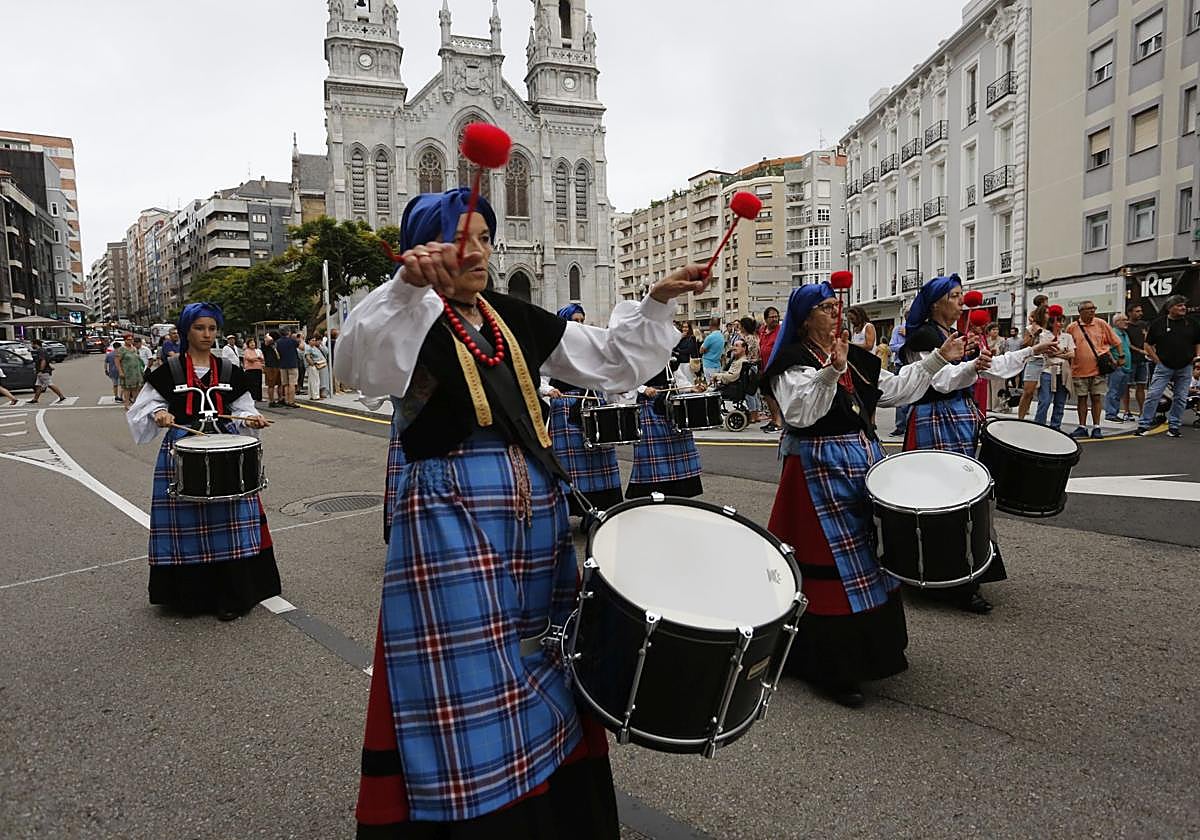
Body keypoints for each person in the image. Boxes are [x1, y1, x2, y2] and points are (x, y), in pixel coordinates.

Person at [333, 187, 705, 837]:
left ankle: (550, 812)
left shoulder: (513, 317)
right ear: (426, 248)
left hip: (533, 519)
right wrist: (401, 287)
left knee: (546, 663)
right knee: (471, 683)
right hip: (451, 522)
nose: (476, 250)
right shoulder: (410, 317)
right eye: (460, 238)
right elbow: (356, 366)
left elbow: (610, 361)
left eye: (483, 235)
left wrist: (657, 302)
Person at [763, 282, 966, 707]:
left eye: (837, 306)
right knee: (830, 563)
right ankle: (828, 668)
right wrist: (830, 372)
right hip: (817, 470)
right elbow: (801, 412)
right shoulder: (790, 361)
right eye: (825, 307)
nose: (836, 313)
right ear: (804, 318)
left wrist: (934, 361)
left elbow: (892, 390)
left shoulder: (852, 356)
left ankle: (873, 653)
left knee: (868, 555)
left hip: (860, 461)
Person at [901, 274, 1055, 614]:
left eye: (960, 296)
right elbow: (939, 381)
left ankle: (966, 572)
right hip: (935, 418)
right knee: (939, 497)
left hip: (961, 416)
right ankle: (941, 576)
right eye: (954, 296)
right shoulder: (923, 337)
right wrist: (972, 365)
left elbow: (989, 368)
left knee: (968, 496)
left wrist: (1031, 350)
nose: (960, 302)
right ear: (936, 303)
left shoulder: (956, 335)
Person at [125, 302, 277, 621]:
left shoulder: (229, 371)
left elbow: (242, 409)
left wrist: (251, 420)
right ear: (186, 331)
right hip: (182, 453)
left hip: (226, 453)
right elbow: (141, 410)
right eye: (199, 328)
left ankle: (232, 596)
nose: (207, 335)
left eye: (211, 329)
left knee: (231, 524)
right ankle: (190, 598)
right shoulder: (168, 371)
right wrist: (159, 414)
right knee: (187, 526)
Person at [543, 303, 624, 523]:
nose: (579, 325)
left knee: (600, 459)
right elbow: (536, 374)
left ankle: (597, 511)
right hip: (565, 406)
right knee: (571, 466)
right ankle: (575, 509)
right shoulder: (552, 346)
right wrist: (548, 389)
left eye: (581, 320)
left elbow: (605, 375)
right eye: (574, 321)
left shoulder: (593, 346)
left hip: (593, 402)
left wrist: (616, 389)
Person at [625, 360, 705, 499]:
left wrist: (691, 388)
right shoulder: (636, 355)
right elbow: (626, 379)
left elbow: (677, 380)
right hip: (649, 407)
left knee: (680, 449)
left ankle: (680, 491)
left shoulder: (668, 357)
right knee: (651, 456)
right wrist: (643, 389)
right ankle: (652, 492)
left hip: (671, 407)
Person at [1135, 295, 1200, 438]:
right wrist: (1157, 360)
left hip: (1185, 366)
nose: (1183, 308)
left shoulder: (1191, 323)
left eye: (1184, 305)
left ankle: (1174, 426)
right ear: (1170, 308)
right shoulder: (1158, 323)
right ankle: (1144, 425)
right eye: (1179, 305)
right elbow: (1147, 344)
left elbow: (1197, 341)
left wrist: (1197, 357)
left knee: (1181, 397)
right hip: (1164, 366)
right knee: (1153, 395)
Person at [1065, 300, 1120, 439]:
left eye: (1094, 308)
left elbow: (1116, 341)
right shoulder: (1072, 327)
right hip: (1078, 370)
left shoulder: (1101, 323)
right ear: (1080, 311)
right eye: (1089, 309)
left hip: (1098, 369)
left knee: (1096, 398)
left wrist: (1121, 356)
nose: (1092, 311)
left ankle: (1097, 427)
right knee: (1081, 399)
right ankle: (1082, 426)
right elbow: (1067, 346)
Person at [1034, 305, 1076, 430]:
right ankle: (1039, 425)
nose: (1061, 324)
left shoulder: (1067, 337)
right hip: (1047, 370)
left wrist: (1059, 352)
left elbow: (1072, 354)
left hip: (1063, 371)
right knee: (1045, 401)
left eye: (1062, 321)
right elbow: (1048, 352)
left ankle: (1055, 426)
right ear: (1052, 322)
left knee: (1060, 402)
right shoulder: (1044, 336)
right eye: (1058, 321)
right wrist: (1063, 351)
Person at [1017, 299, 1049, 420]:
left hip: (1048, 363)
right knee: (1028, 392)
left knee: (1045, 396)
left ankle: (1040, 420)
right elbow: (1024, 344)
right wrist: (1034, 334)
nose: (1048, 315)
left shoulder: (1051, 329)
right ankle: (1021, 418)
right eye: (1046, 313)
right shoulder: (1031, 328)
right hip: (1034, 361)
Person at [1104, 313, 1134, 423]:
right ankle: (1111, 413)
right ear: (1116, 322)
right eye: (1124, 320)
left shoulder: (1124, 334)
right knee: (1113, 390)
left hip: (1126, 367)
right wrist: (1114, 361)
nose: (1127, 322)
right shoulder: (1113, 334)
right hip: (1117, 367)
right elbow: (1106, 349)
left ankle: (1114, 412)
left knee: (1120, 391)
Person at [757, 306, 783, 432]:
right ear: (766, 319)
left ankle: (778, 421)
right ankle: (773, 419)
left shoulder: (781, 331)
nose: (775, 319)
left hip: (777, 367)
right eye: (772, 317)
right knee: (767, 394)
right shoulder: (762, 330)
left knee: (773, 395)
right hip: (764, 367)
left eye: (776, 316)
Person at [1125, 304, 1150, 420]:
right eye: (1137, 311)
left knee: (1141, 385)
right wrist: (1141, 351)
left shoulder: (1143, 325)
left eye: (1141, 311)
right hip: (1131, 360)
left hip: (1143, 360)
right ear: (1129, 313)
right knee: (1127, 386)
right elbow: (1127, 344)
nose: (1140, 313)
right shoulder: (1126, 326)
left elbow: (1148, 339)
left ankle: (1142, 411)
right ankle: (1126, 411)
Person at [28, 338, 68, 404]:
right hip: (43, 370)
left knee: (49, 384)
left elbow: (43, 361)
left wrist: (41, 370)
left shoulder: (41, 351)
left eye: (32, 344)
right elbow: (46, 360)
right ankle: (35, 399)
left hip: (43, 371)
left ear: (35, 344)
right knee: (38, 385)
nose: (31, 345)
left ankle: (61, 396)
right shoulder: (42, 350)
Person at [275, 328, 301, 407]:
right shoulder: (292, 341)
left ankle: (286, 400)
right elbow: (301, 346)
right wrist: (300, 338)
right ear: (288, 332)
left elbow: (277, 353)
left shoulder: (278, 342)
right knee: (292, 384)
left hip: (283, 364)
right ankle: (291, 401)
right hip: (292, 364)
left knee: (285, 384)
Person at [117, 339, 145, 410]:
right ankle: (126, 404)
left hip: (136, 371)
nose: (130, 341)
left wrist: (141, 369)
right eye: (128, 340)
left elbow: (139, 359)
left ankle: (135, 403)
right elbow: (117, 361)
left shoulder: (134, 348)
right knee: (127, 389)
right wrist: (120, 371)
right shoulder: (121, 349)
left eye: (131, 339)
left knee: (136, 388)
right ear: (125, 340)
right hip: (127, 371)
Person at [985, 323, 1007, 412]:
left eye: (997, 329)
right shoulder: (986, 340)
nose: (995, 331)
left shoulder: (1002, 340)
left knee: (998, 385)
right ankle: (989, 405)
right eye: (993, 329)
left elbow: (1004, 352)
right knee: (988, 385)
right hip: (989, 364)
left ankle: (999, 405)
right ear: (989, 331)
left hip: (999, 364)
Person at [261, 332, 281, 407]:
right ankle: (271, 401)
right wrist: (268, 336)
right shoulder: (265, 345)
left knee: (280, 384)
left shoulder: (277, 344)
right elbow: (267, 341)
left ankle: (280, 399)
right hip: (270, 366)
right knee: (271, 385)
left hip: (279, 365)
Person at [242, 337, 265, 402]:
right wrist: (257, 358)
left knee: (259, 383)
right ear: (248, 344)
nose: (252, 344)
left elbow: (262, 359)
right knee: (252, 384)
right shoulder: (246, 351)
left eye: (253, 342)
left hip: (258, 369)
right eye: (250, 343)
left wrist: (257, 359)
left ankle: (259, 397)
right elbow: (250, 358)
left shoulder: (258, 350)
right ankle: (253, 398)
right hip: (250, 370)